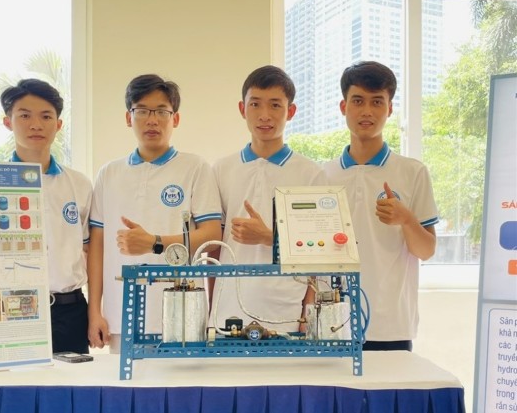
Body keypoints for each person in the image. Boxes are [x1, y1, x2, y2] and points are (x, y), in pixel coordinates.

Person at [86, 74, 222, 352]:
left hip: (182, 314)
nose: (152, 120)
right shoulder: (109, 173)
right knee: (126, 380)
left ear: (175, 119)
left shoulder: (195, 168)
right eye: (142, 111)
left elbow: (212, 235)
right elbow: (97, 246)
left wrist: (155, 242)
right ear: (128, 117)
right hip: (122, 313)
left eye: (161, 111)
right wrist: (94, 311)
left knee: (182, 381)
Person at [323, 61, 438, 351]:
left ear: (389, 109)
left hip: (391, 325)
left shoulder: (412, 172)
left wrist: (406, 219)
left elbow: (426, 250)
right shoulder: (322, 175)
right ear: (343, 106)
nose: (367, 111)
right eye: (358, 101)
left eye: (377, 102)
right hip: (331, 324)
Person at [208, 65, 326, 335]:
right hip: (227, 313)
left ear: (291, 111)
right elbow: (214, 250)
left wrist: (307, 315)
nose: (264, 115)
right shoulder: (221, 170)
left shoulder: (310, 174)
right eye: (255, 104)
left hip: (286, 312)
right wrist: (211, 310)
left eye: (275, 105)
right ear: (242, 109)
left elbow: (320, 255)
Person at [1, 78, 92, 354]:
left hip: (70, 310)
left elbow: (89, 248)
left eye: (46, 116)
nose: (36, 125)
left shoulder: (79, 184)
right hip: (10, 311)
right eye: (24, 116)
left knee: (74, 382)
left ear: (59, 124)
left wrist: (96, 312)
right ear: (8, 122)